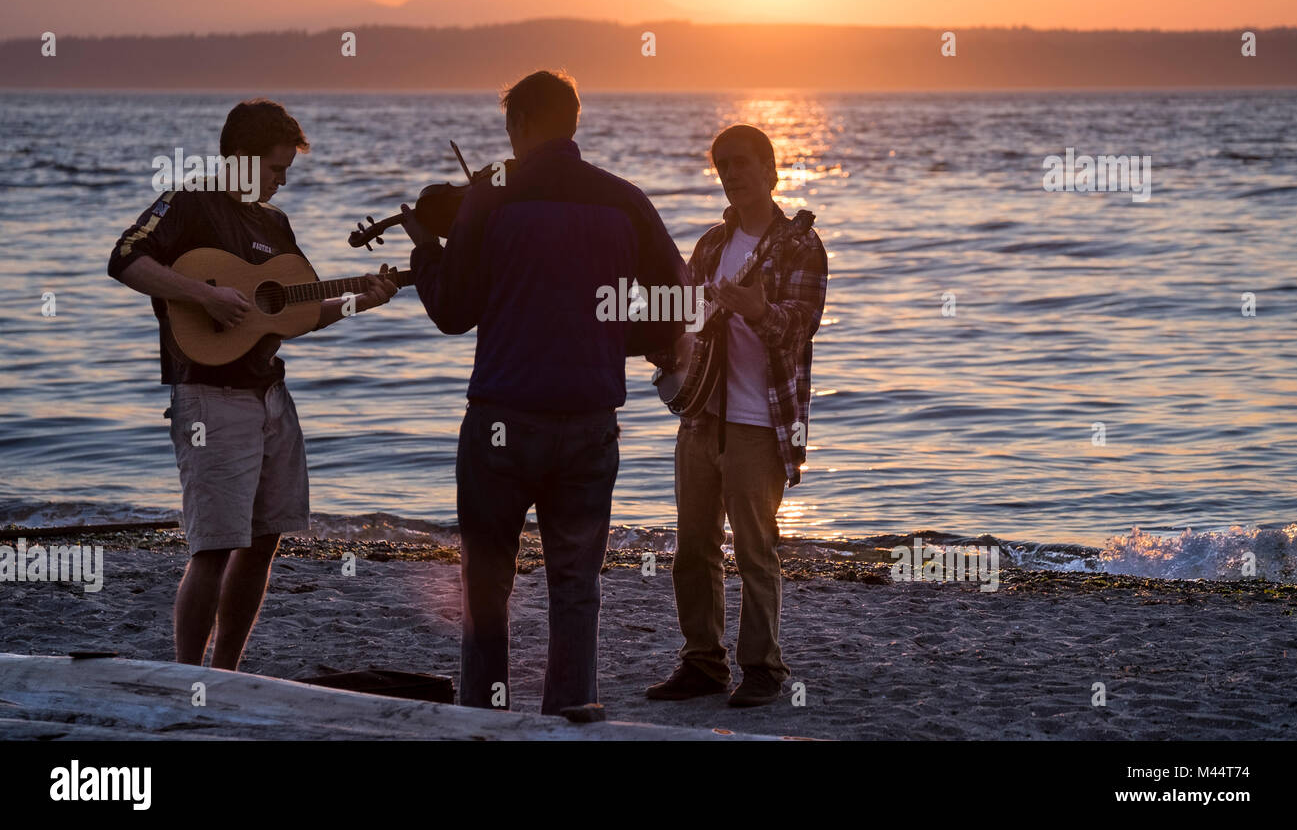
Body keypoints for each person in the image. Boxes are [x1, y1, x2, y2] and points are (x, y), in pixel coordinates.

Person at [402, 70, 686, 715]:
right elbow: (679, 300)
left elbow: (451, 311)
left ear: (520, 125)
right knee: (576, 580)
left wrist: (425, 254)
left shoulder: (489, 196)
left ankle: (485, 708)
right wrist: (612, 337)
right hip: (588, 419)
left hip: (503, 417)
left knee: (486, 578)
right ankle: (570, 710)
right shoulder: (625, 199)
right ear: (575, 122)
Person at [107, 98, 397, 670]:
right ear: (240, 158)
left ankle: (227, 672)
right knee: (215, 545)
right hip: (209, 397)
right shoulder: (188, 203)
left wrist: (362, 299)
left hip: (271, 396)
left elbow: (294, 312)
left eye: (288, 170)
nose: (282, 181)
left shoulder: (275, 224)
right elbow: (124, 258)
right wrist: (205, 295)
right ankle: (188, 675)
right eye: (275, 168)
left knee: (265, 541)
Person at [646, 124, 827, 707]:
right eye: (723, 163)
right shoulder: (709, 246)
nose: (733, 172)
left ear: (772, 170)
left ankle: (764, 668)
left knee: (755, 549)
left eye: (744, 161)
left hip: (761, 418)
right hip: (701, 417)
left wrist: (760, 310)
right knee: (693, 547)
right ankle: (702, 662)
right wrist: (667, 347)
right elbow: (685, 322)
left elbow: (801, 329)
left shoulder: (800, 245)